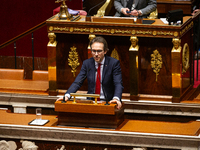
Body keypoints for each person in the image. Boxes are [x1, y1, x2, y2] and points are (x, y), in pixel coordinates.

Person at [57, 36, 124, 109]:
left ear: (105, 51)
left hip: (108, 102)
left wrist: (116, 98)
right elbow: (78, 82)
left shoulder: (113, 63)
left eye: (99, 51)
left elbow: (118, 83)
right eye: (93, 51)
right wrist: (67, 95)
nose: (96, 54)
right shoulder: (87, 63)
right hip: (91, 103)